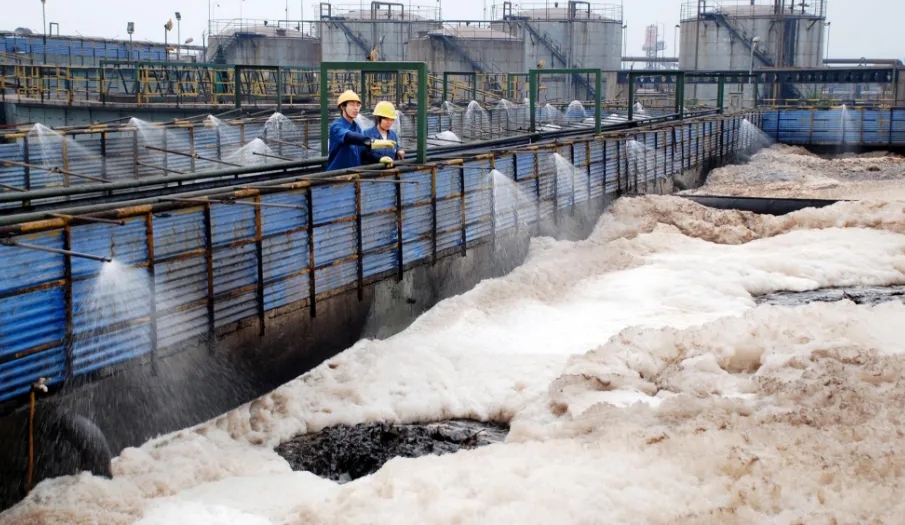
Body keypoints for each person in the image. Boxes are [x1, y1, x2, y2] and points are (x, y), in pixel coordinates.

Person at [326, 90, 396, 171]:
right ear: (342, 107)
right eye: (352, 105)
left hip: (354, 175)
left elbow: (364, 152)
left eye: (358, 105)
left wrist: (379, 158)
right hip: (337, 176)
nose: (356, 108)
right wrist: (371, 142)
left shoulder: (357, 127)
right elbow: (349, 137)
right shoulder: (336, 126)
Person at [363, 101, 406, 168]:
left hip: (391, 172)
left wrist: (399, 150)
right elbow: (366, 153)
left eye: (391, 120)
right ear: (378, 118)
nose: (389, 122)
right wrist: (379, 159)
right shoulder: (367, 134)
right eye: (386, 119)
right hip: (373, 174)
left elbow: (396, 146)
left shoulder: (392, 135)